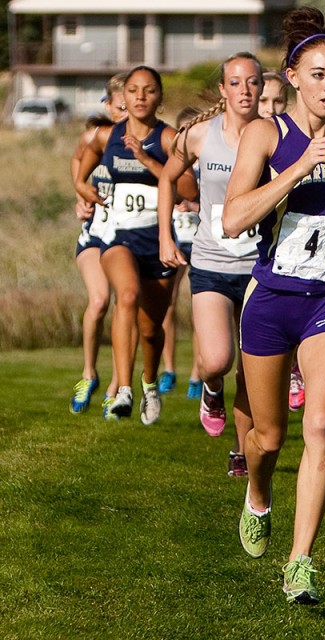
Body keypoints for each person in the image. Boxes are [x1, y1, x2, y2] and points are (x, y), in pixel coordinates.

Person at [221, 8, 325, 604]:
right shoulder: (265, 136)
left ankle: (300, 562)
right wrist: (298, 168)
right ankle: (258, 497)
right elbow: (234, 216)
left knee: (319, 422)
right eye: (319, 74)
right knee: (268, 439)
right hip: (269, 299)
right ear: (293, 76)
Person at [158, 53, 264, 479]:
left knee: (253, 369)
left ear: (262, 88)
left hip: (260, 268)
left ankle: (241, 450)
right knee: (218, 359)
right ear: (223, 90)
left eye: (252, 82)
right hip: (210, 263)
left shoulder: (276, 137)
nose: (244, 90)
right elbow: (168, 178)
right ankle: (212, 389)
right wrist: (165, 235)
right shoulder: (200, 136)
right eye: (235, 83)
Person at [74, 65, 198, 423]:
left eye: (148, 90)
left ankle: (149, 384)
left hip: (157, 240)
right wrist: (82, 190)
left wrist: (146, 159)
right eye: (133, 90)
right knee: (125, 296)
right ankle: (123, 390)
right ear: (122, 97)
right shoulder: (106, 136)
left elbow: (188, 189)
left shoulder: (167, 138)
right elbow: (81, 164)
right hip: (117, 237)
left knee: (151, 328)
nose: (140, 96)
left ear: (159, 98)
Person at [69, 73, 126, 414]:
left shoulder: (148, 142)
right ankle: (88, 373)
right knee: (100, 299)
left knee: (127, 306)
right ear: (108, 106)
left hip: (129, 237)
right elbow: (77, 163)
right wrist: (81, 192)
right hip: (94, 236)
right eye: (121, 105)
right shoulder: (98, 138)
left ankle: (117, 386)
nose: (128, 111)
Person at [158, 106, 203, 397]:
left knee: (202, 308)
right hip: (175, 237)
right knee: (168, 303)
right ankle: (169, 369)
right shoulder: (171, 163)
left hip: (202, 240)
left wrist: (195, 205)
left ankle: (198, 374)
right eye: (184, 130)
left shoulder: (211, 162)